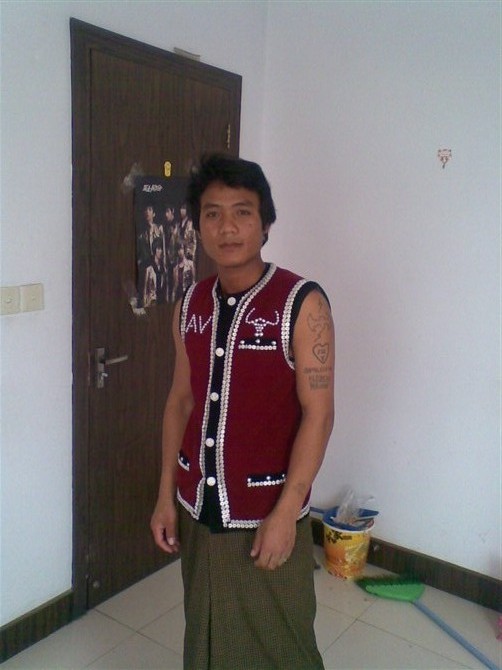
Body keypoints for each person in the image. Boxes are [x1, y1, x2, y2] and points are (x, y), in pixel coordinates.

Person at [151, 154, 335, 670]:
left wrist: (287, 512)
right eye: (212, 214)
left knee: (282, 643)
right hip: (196, 507)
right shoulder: (190, 304)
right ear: (198, 226)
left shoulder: (301, 303)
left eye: (242, 212)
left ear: (265, 224)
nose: (226, 227)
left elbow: (319, 415)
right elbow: (180, 401)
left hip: (267, 512)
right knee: (205, 632)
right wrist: (165, 495)